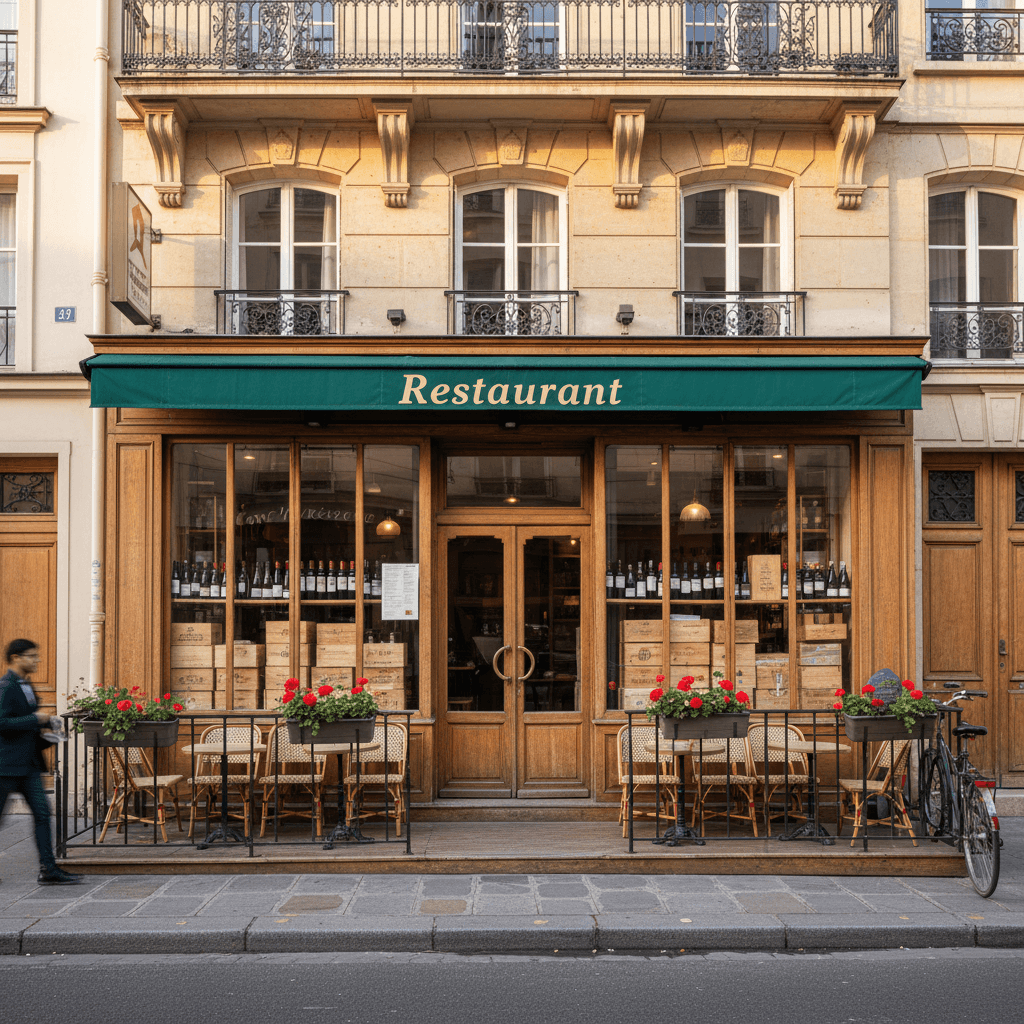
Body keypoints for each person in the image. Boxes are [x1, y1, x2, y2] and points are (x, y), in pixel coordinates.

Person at [0, 639, 82, 885]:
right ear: (16, 657)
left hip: (28, 765)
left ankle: (48, 868)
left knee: (43, 814)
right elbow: (2, 723)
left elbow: (24, 727)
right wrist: (35, 718)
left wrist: (50, 734)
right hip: (5, 766)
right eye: (32, 656)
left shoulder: (26, 685)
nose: (36, 660)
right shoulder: (6, 686)